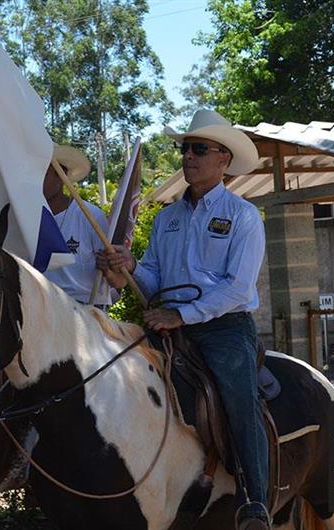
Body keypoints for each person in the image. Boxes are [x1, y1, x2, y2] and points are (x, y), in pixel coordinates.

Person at [95, 109, 269, 530]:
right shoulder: (167, 218)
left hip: (224, 328)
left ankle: (254, 499)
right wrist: (130, 267)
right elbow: (155, 277)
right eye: (185, 148)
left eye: (199, 149)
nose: (188, 156)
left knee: (239, 399)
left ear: (224, 159)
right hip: (166, 321)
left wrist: (181, 315)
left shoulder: (244, 216)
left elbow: (237, 289)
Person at [43, 144, 113, 308]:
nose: (37, 179)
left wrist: (109, 267)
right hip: (45, 308)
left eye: (43, 173)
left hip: (86, 309)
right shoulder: (28, 217)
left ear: (61, 176)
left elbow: (117, 278)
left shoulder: (90, 216)